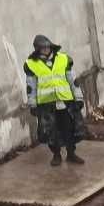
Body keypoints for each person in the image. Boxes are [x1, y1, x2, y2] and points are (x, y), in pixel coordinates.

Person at [24, 34, 84, 166]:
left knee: (69, 128)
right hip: (46, 104)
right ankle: (56, 155)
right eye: (42, 48)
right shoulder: (32, 64)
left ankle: (71, 153)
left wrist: (78, 97)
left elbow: (73, 80)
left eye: (47, 47)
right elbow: (31, 86)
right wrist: (33, 104)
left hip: (65, 101)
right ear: (37, 49)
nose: (46, 49)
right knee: (52, 131)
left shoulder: (63, 59)